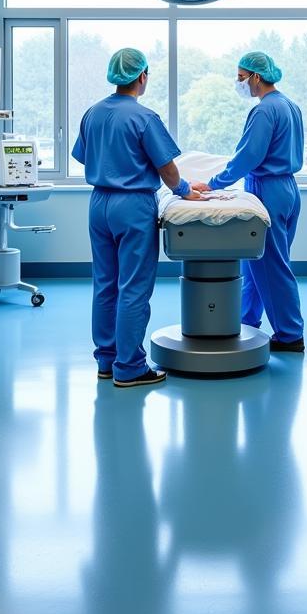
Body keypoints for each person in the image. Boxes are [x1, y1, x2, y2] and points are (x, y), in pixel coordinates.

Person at [72, 48, 201, 388]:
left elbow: (86, 158)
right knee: (133, 288)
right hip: (133, 207)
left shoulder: (92, 113)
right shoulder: (144, 118)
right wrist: (186, 190)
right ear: (142, 76)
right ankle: (129, 368)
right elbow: (168, 171)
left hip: (98, 203)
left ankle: (106, 360)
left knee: (105, 285)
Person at [191, 51, 306, 352]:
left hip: (267, 190)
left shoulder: (264, 110)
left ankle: (290, 335)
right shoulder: (289, 106)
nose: (239, 83)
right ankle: (245, 321)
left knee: (272, 267)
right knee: (259, 264)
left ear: (256, 76)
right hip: (288, 190)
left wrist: (214, 184)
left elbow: (248, 157)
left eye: (241, 78)